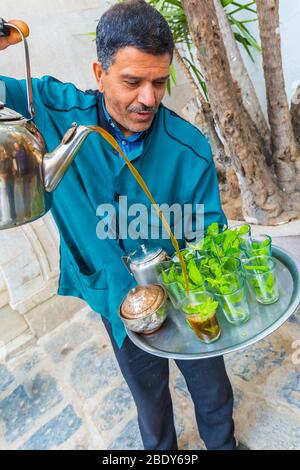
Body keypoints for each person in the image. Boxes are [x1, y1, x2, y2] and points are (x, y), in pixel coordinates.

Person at [0, 0, 238, 450]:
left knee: (211, 388)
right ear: (99, 72)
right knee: (147, 395)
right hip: (115, 298)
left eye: (159, 82)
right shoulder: (52, 111)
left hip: (187, 300)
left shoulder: (189, 149)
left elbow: (211, 237)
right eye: (132, 81)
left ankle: (223, 445)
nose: (148, 98)